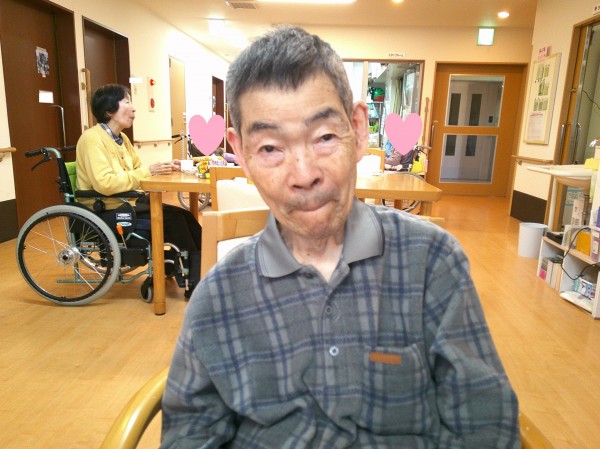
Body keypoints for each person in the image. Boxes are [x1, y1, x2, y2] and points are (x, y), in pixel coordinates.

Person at [160, 26, 520, 448]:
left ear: (358, 129)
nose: (304, 174)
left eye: (325, 137)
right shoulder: (219, 297)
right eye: (271, 148)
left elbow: (484, 422)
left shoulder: (431, 262)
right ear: (240, 152)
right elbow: (190, 434)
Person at [76, 84, 201, 298]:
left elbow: (139, 171)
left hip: (128, 203)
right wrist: (148, 171)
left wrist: (165, 167)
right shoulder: (92, 139)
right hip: (106, 209)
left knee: (185, 216)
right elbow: (104, 183)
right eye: (127, 101)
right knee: (175, 222)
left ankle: (201, 270)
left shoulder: (122, 139)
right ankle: (194, 281)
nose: (133, 108)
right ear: (109, 110)